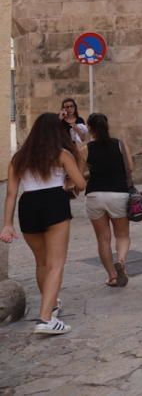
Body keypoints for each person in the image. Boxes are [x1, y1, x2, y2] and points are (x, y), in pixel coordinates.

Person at [0, 113, 87, 334]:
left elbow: (11, 194)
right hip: (54, 203)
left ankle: (52, 305)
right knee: (56, 263)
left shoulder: (19, 157)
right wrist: (67, 179)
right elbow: (81, 183)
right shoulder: (62, 154)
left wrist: (7, 224)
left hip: (28, 204)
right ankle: (46, 318)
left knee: (41, 263)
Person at [81, 113, 133, 287]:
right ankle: (121, 261)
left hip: (95, 195)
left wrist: (93, 173)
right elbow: (130, 168)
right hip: (118, 194)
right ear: (107, 126)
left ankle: (111, 276)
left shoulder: (86, 148)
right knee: (123, 235)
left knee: (103, 239)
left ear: (90, 128)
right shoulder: (119, 144)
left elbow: (81, 175)